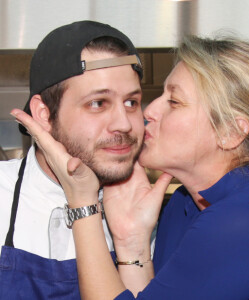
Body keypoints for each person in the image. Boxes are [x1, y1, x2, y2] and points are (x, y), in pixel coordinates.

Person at [12, 34, 249, 299]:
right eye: (99, 102)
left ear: (230, 133)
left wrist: (82, 203)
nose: (149, 111)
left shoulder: (243, 223)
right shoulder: (183, 205)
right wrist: (133, 243)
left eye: (174, 101)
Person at [0, 20, 145, 299]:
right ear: (43, 114)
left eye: (131, 102)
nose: (124, 124)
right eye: (98, 103)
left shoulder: (144, 216)